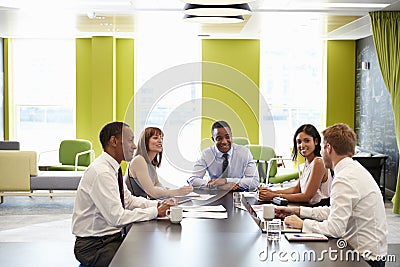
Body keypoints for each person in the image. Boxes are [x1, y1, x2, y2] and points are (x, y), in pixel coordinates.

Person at [276, 123, 387, 267]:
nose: (320, 152)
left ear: (328, 148)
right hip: (367, 252)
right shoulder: (353, 169)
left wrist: (303, 224)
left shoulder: (344, 178)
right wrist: (298, 211)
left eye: (322, 147)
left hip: (364, 258)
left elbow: (335, 228)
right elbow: (335, 210)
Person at [72, 122, 175, 267]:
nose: (134, 146)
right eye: (129, 140)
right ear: (114, 141)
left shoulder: (113, 169)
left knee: (154, 252)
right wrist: (155, 211)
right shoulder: (102, 172)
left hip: (110, 239)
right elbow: (117, 217)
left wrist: (157, 204)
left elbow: (128, 200)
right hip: (94, 246)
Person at [258, 124, 331, 206]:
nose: (302, 145)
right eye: (299, 142)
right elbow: (296, 189)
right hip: (308, 207)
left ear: (316, 141)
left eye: (307, 140)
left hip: (318, 208)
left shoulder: (318, 162)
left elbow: (306, 196)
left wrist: (273, 196)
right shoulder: (308, 162)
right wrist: (271, 192)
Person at [187, 120, 259, 191]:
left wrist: (226, 181)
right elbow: (192, 180)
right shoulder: (206, 154)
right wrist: (216, 186)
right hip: (214, 194)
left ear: (231, 136)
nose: (224, 142)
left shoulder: (244, 153)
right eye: (219, 138)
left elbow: (254, 181)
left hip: (238, 193)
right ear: (213, 139)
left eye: (227, 137)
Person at [125, 126, 193, 199]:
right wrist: (177, 191)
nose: (160, 141)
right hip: (135, 208)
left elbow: (157, 184)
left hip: (144, 205)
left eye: (161, 138)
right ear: (145, 141)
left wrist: (169, 190)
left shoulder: (151, 163)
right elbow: (152, 193)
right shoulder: (139, 160)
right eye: (155, 138)